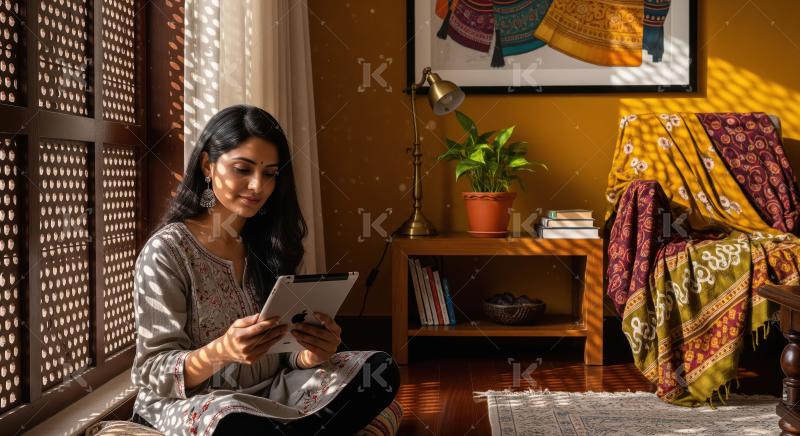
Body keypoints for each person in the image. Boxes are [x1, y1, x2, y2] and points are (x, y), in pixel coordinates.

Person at [130, 105, 399, 435]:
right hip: (200, 405)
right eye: (243, 169)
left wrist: (312, 353)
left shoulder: (269, 243)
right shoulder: (167, 252)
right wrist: (222, 351)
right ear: (207, 166)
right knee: (229, 421)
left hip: (274, 394)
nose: (257, 185)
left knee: (378, 371)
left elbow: (286, 357)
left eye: (270, 173)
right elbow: (150, 373)